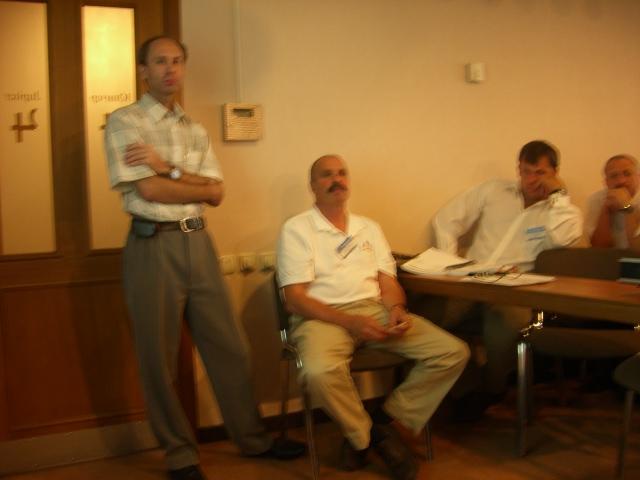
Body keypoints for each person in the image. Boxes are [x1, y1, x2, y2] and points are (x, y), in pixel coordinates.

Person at [104, 36, 303, 480]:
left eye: (177, 61)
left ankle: (252, 439)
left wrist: (167, 167)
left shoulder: (193, 128)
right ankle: (180, 454)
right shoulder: (125, 122)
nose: (170, 69)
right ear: (143, 70)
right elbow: (149, 190)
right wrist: (180, 180)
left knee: (230, 347)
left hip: (199, 242)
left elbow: (216, 192)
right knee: (158, 359)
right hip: (153, 245)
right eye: (160, 61)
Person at [277, 154, 469, 480]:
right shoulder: (297, 228)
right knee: (318, 371)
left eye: (341, 173)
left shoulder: (369, 227)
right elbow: (295, 300)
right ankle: (368, 437)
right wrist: (350, 322)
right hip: (321, 317)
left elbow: (388, 282)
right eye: (326, 175)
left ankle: (385, 421)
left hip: (373, 310)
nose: (336, 180)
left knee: (452, 352)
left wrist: (396, 310)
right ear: (312, 186)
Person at [430, 140, 583, 419]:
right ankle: (467, 386)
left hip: (517, 290)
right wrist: (449, 267)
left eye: (540, 173)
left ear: (555, 173)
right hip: (471, 281)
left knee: (503, 326)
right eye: (526, 171)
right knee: (428, 318)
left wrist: (559, 195)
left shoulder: (562, 211)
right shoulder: (494, 190)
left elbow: (564, 239)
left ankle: (492, 389)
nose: (531, 180)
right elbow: (445, 220)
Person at [585, 154, 640, 249]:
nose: (621, 181)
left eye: (627, 174)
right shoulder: (596, 199)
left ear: (638, 178)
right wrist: (605, 210)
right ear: (606, 182)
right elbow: (598, 247)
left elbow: (637, 248)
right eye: (614, 176)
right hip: (610, 256)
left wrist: (626, 206)